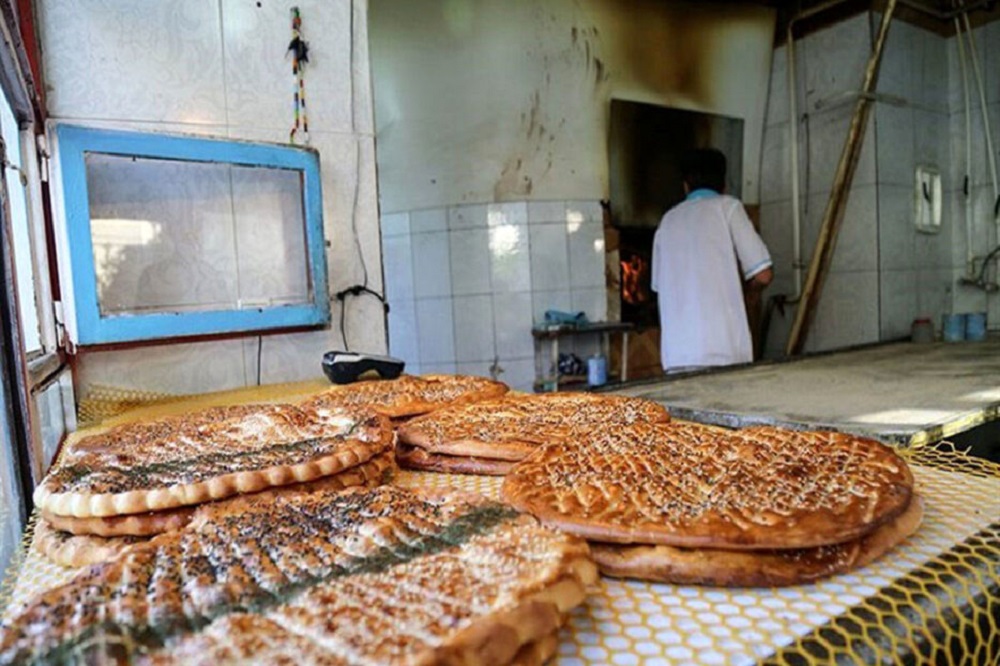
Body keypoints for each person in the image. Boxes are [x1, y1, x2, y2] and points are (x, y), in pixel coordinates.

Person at [650, 148, 773, 374]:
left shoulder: (667, 221)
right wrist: (750, 292)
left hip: (676, 357)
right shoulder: (728, 207)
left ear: (685, 185)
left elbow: (658, 287)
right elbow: (763, 274)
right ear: (723, 184)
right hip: (723, 352)